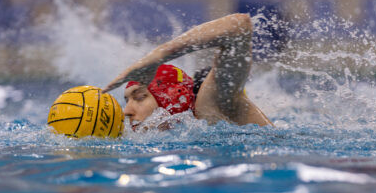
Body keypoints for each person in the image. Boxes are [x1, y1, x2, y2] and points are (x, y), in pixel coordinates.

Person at [104, 13, 273, 130]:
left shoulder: (210, 108)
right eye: (127, 101)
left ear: (172, 96)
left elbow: (239, 26)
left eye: (140, 97)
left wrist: (160, 55)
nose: (126, 111)